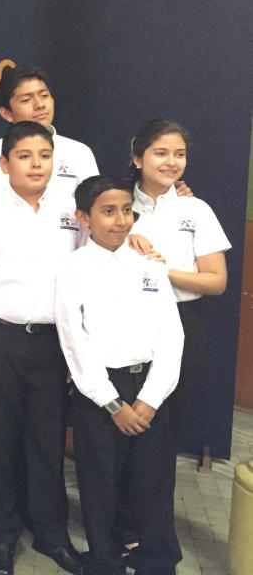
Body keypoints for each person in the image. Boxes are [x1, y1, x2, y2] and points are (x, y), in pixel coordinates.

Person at [0, 121, 85, 575]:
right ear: (5, 163)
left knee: (47, 443)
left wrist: (77, 352)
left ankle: (51, 534)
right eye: (25, 156)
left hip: (53, 346)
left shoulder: (73, 211)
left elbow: (88, 277)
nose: (36, 164)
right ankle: (2, 537)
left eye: (44, 156)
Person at [56, 175, 184, 575]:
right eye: (108, 211)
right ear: (83, 217)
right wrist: (113, 403)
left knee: (153, 481)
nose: (120, 220)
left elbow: (171, 335)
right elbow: (74, 343)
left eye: (127, 210)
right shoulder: (72, 269)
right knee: (99, 483)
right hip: (101, 395)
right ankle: (105, 560)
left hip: (149, 388)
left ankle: (157, 561)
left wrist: (149, 399)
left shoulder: (149, 266)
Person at [129, 118, 229, 444]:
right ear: (137, 157)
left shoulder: (196, 209)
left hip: (184, 320)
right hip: (128, 319)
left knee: (166, 423)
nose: (172, 162)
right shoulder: (116, 204)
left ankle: (155, 495)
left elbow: (216, 281)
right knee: (125, 416)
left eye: (180, 154)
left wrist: (163, 271)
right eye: (161, 153)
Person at [0, 64, 98, 200]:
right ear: (7, 114)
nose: (40, 105)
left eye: (44, 96)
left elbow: (95, 210)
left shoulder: (79, 153)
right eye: (26, 100)